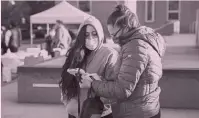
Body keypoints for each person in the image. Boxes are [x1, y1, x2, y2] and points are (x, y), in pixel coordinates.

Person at [79, 4, 166, 118]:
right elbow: (132, 81)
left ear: (126, 27)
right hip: (148, 108)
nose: (114, 40)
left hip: (136, 113)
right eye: (111, 36)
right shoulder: (145, 42)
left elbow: (122, 90)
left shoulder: (135, 47)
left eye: (115, 34)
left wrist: (92, 84)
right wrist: (101, 81)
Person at [59, 16, 118, 118]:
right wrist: (67, 101)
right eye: (86, 35)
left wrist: (94, 83)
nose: (90, 38)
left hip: (97, 113)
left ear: (100, 34)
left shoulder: (109, 54)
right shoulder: (76, 52)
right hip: (74, 113)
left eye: (94, 34)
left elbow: (114, 90)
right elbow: (65, 82)